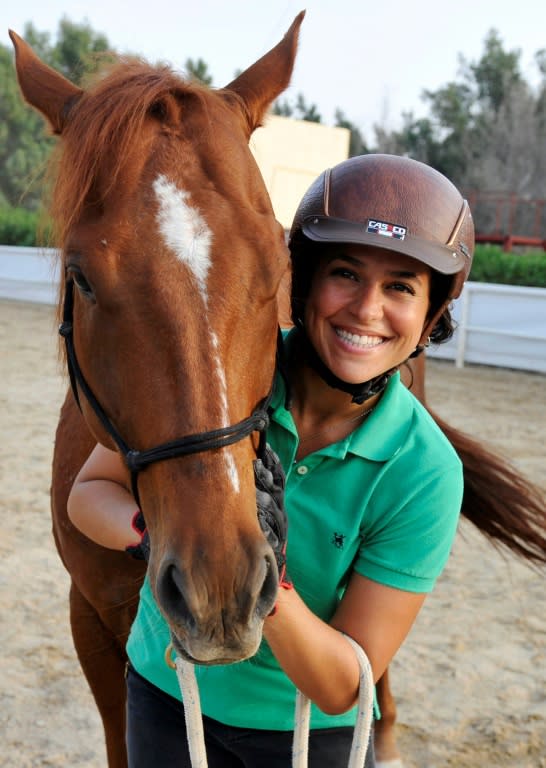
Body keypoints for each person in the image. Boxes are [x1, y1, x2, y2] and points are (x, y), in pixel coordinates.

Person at [67, 153, 474, 768]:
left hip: (307, 736)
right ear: (303, 284)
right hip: (166, 696)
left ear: (430, 316)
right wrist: (156, 534)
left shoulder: (426, 472)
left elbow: (345, 686)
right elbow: (86, 495)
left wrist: (266, 582)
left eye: (400, 287)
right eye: (345, 273)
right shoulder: (222, 376)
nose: (366, 310)